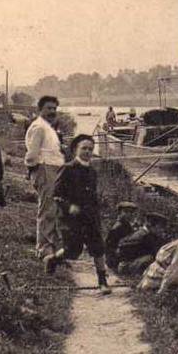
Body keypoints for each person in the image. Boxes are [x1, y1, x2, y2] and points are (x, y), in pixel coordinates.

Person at [45, 134, 111, 295]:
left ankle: (102, 282)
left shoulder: (92, 172)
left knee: (98, 248)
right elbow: (56, 195)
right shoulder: (68, 168)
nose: (88, 152)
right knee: (72, 251)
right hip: (71, 218)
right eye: (84, 148)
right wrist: (69, 207)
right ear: (76, 149)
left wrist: (97, 212)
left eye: (90, 149)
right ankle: (52, 259)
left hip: (90, 217)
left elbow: (92, 195)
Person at [24, 95, 65, 260]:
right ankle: (43, 249)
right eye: (48, 108)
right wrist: (35, 172)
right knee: (47, 211)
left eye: (54, 109)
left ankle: (52, 248)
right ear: (40, 109)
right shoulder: (39, 127)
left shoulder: (48, 127)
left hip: (53, 170)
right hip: (45, 169)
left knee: (53, 210)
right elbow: (31, 155)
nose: (52, 111)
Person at [113, 212, 169, 276]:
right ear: (151, 225)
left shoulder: (144, 233)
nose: (161, 230)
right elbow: (157, 253)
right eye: (160, 227)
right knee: (151, 258)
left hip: (128, 265)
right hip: (127, 267)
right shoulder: (145, 236)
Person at [105, 201, 139, 270]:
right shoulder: (118, 227)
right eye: (126, 212)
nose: (129, 214)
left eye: (131, 212)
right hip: (116, 259)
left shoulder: (127, 225)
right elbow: (109, 247)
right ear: (120, 213)